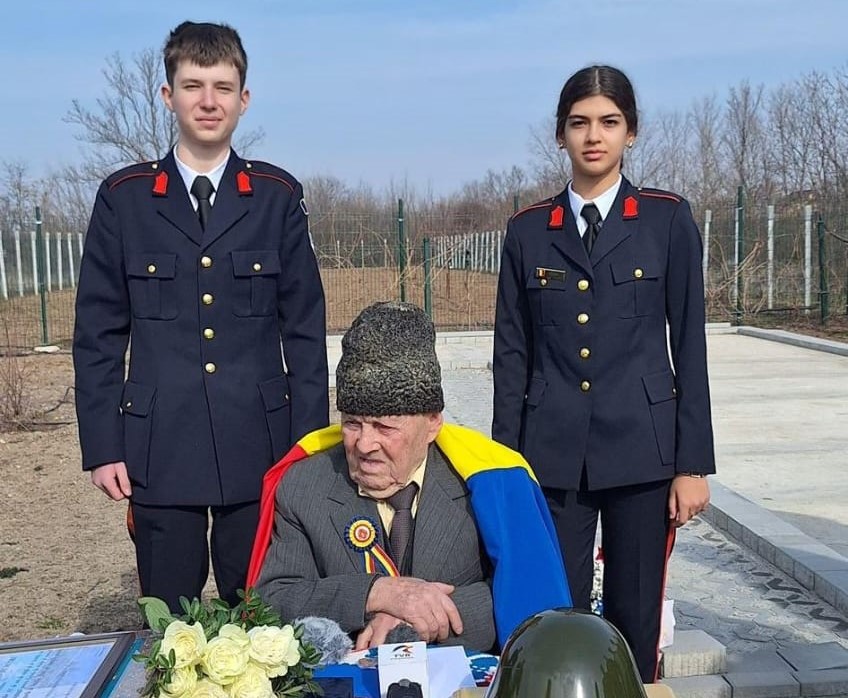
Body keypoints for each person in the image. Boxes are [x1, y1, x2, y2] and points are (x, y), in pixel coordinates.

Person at [73, 21, 329, 613]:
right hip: (160, 448)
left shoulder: (277, 197)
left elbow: (304, 333)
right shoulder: (124, 199)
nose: (208, 101)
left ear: (244, 99)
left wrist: (306, 447)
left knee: (265, 618)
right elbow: (98, 335)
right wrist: (104, 446)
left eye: (222, 87)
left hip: (260, 446)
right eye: (193, 86)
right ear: (168, 95)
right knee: (169, 623)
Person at [491, 65, 714, 682]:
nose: (594, 136)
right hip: (551, 457)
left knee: (634, 615)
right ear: (559, 134)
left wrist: (692, 465)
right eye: (579, 123)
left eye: (609, 122)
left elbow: (689, 346)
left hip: (642, 454)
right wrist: (505, 466)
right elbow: (511, 356)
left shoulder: (666, 220)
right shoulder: (529, 231)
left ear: (631, 132)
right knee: (550, 618)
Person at [249, 302, 571, 651]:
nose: (364, 444)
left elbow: (524, 596)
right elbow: (272, 600)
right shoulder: (304, 486)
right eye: (352, 424)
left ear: (432, 423)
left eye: (384, 427)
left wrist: (416, 617)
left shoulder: (486, 489)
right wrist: (377, 593)